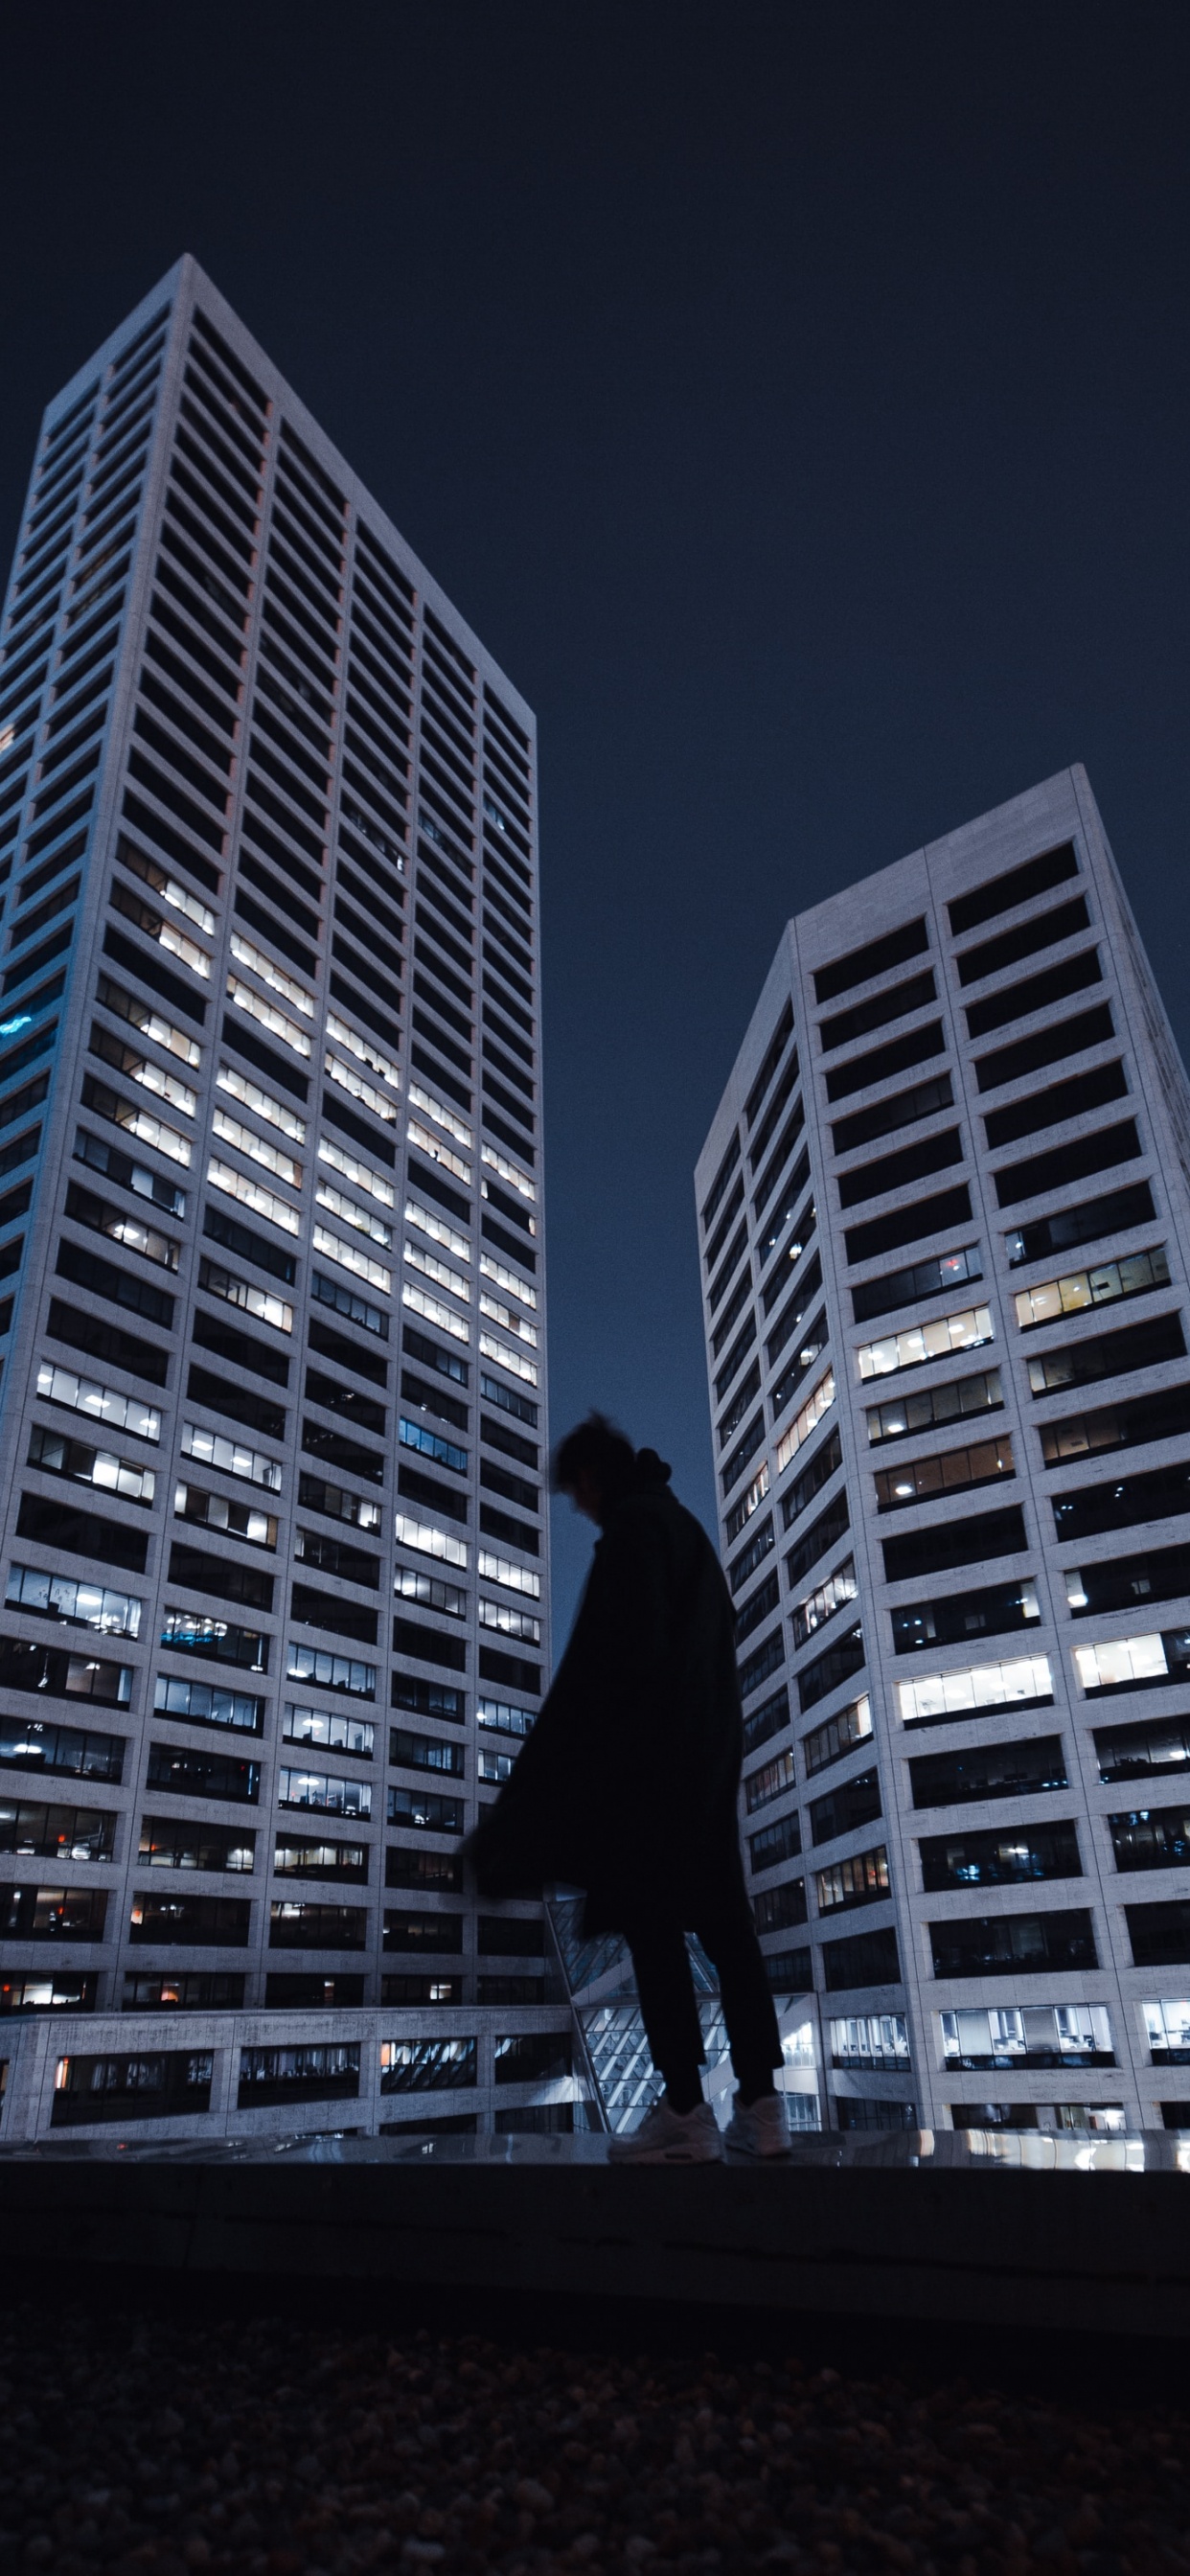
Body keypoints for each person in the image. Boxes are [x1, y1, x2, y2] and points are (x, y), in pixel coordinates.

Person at [465, 1413, 790, 2163]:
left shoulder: (635, 1536)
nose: (579, 1510)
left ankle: (684, 2110)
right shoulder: (685, 1534)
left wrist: (526, 1811)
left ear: (590, 1478)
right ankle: (762, 2105)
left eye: (576, 1495)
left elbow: (596, 1678)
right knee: (727, 1933)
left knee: (653, 1933)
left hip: (654, 1776)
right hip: (708, 1763)